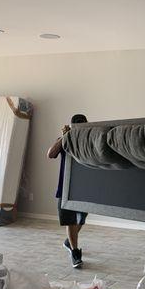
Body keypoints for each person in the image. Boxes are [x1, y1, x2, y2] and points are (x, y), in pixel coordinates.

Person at [47, 114, 89, 268]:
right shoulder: (65, 139)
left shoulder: (89, 140)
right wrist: (65, 137)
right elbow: (51, 154)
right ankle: (75, 252)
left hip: (85, 187)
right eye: (76, 125)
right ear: (71, 126)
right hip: (67, 187)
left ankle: (69, 241)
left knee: (81, 219)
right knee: (70, 219)